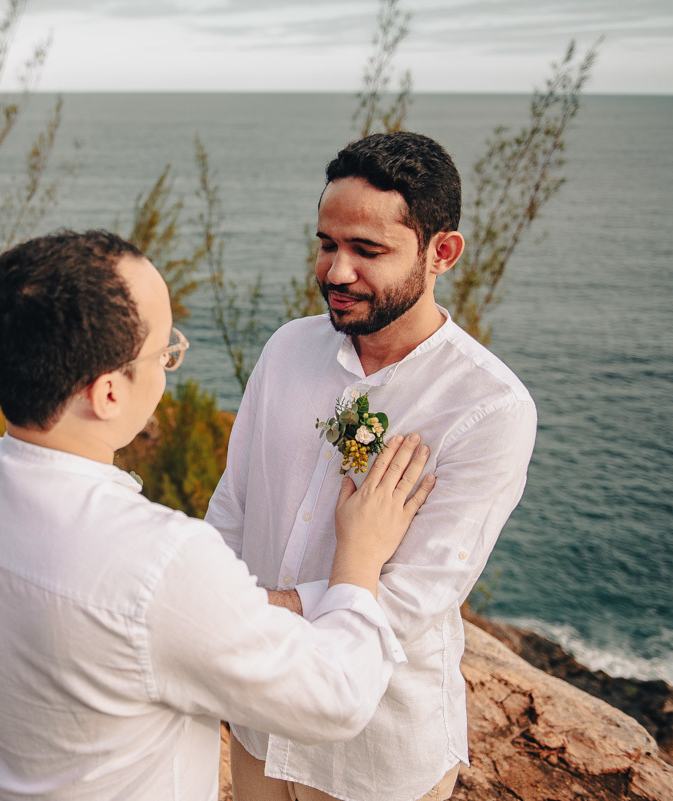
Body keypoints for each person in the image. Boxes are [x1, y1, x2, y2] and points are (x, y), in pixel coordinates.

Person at [0, 229, 437, 801]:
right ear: (109, 393)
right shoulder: (157, 562)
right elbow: (337, 699)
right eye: (164, 353)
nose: (169, 368)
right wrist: (359, 559)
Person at [206, 131, 538, 801]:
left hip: (370, 756)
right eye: (327, 244)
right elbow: (231, 511)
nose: (335, 272)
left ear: (442, 252)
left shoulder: (489, 408)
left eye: (367, 250)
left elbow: (414, 598)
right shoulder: (286, 349)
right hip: (259, 717)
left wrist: (249, 611)